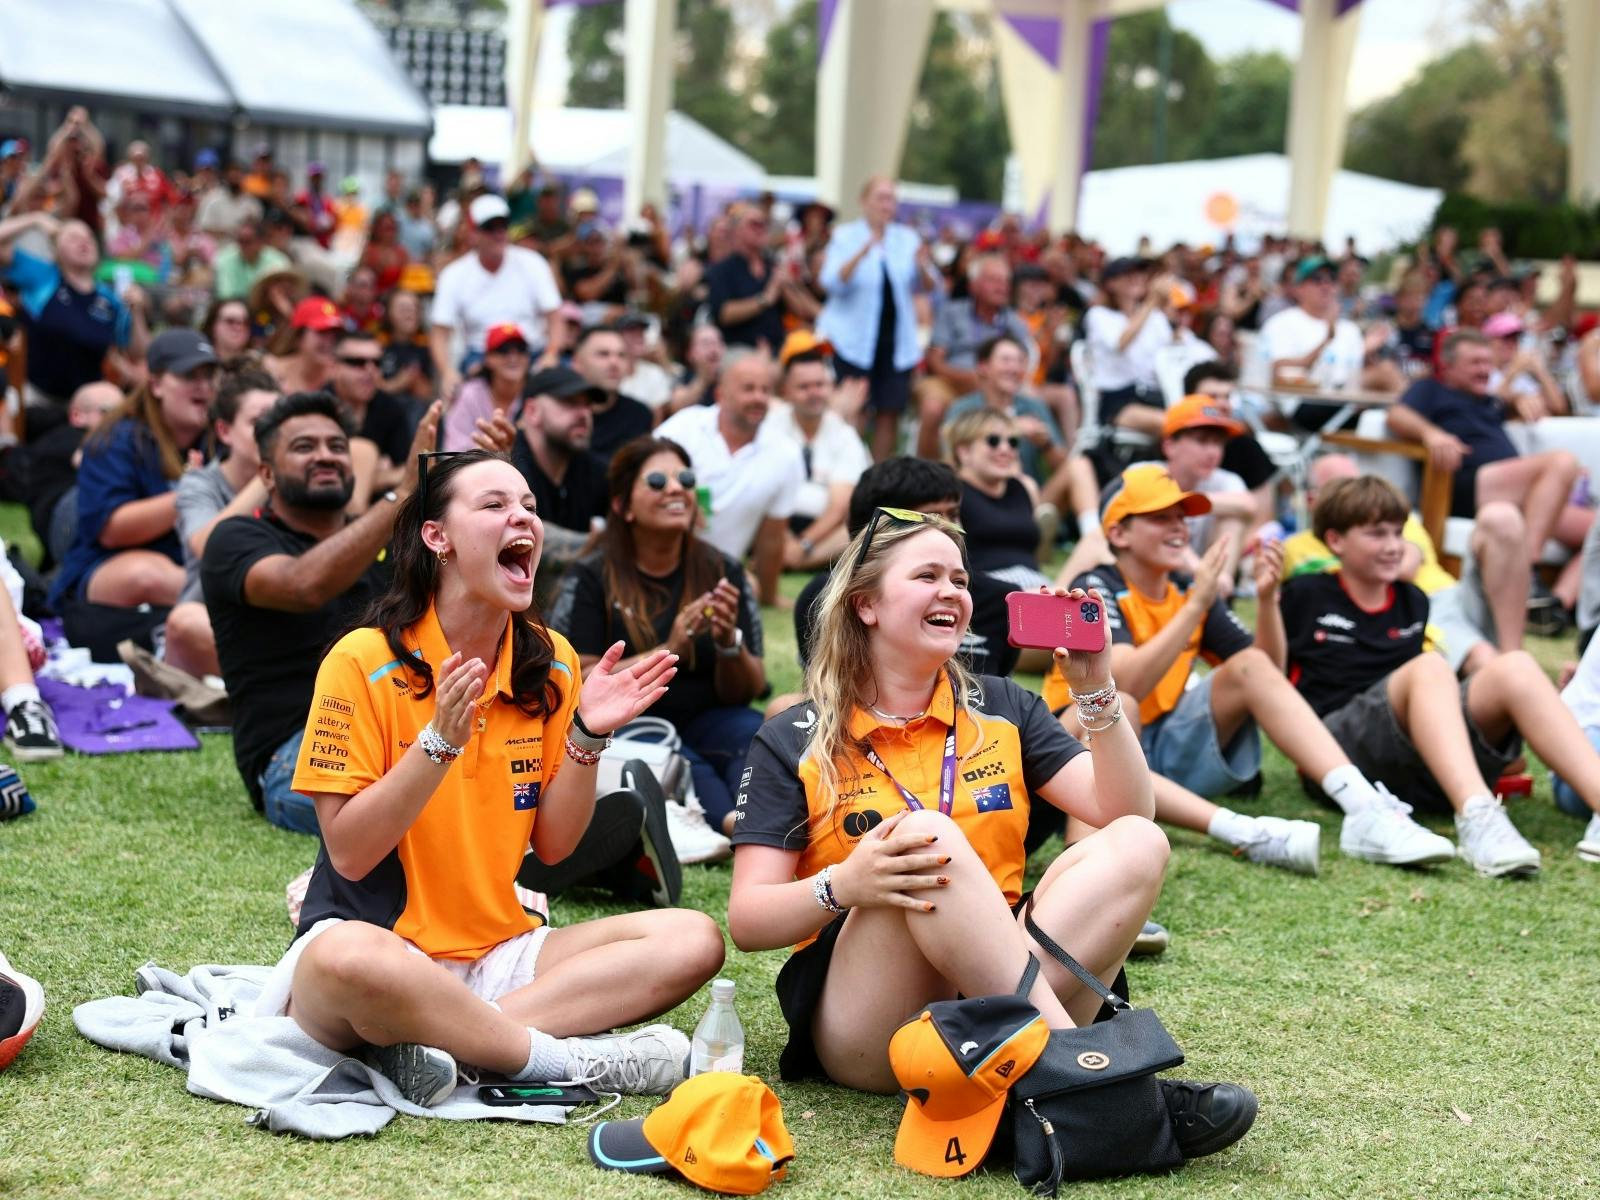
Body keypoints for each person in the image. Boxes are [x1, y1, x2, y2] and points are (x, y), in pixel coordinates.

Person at [725, 509, 1257, 1160]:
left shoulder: (1005, 706)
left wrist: (1096, 690)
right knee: (926, 835)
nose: (952, 590)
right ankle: (1099, 1084)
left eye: (959, 578)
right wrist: (849, 883)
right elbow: (747, 921)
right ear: (865, 605)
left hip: (999, 972)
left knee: (1138, 843)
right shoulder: (793, 737)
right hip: (871, 1019)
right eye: (927, 576)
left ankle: (1048, 1077)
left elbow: (1125, 809)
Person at [266, 448, 723, 1105]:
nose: (524, 521)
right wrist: (436, 746)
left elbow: (558, 846)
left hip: (501, 958)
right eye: (495, 506)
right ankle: (566, 1062)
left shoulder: (553, 661)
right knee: (346, 960)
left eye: (531, 508)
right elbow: (351, 853)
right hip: (379, 955)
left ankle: (452, 1044)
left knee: (692, 938)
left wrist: (589, 735)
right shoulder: (362, 659)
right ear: (437, 537)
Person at [1056, 463, 1457, 870]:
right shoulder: (1096, 584)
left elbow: (1267, 675)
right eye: (1160, 517)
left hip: (1164, 748)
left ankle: (1364, 806)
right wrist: (1197, 604)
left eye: (1181, 517)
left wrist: (1266, 602)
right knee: (1122, 703)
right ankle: (1243, 831)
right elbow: (1124, 684)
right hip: (1083, 753)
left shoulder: (1185, 589)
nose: (1179, 528)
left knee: (1247, 664)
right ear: (1118, 533)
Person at [1281, 475, 1600, 873]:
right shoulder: (1305, 593)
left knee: (1514, 665)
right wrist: (1262, 601)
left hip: (1412, 760)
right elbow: (1271, 677)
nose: (1394, 545)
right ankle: (1477, 817)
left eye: (1398, 533)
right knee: (1431, 666)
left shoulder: (1413, 600)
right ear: (1336, 541)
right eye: (1376, 534)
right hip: (1338, 752)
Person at [201, 392, 440, 832]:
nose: (326, 456)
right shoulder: (234, 540)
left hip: (408, 730)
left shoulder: (386, 536)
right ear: (267, 475)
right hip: (295, 754)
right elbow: (303, 586)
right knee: (434, 809)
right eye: (304, 447)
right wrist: (402, 497)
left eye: (336, 446)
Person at [550, 437, 766, 837]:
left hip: (710, 717)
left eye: (684, 477)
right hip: (630, 722)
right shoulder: (592, 577)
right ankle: (732, 822)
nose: (675, 488)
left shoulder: (723, 569)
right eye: (655, 480)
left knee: (754, 734)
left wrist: (727, 643)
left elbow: (749, 689)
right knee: (674, 757)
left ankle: (758, 818)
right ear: (622, 506)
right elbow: (578, 678)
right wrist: (670, 648)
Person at [1387, 330, 1590, 612]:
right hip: (1463, 486)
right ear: (1448, 366)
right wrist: (1431, 434)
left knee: (1597, 531)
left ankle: (1553, 606)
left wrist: (1521, 394)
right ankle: (1525, 571)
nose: (1485, 370)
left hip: (1514, 495)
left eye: (1487, 362)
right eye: (1475, 363)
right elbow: (1397, 414)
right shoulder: (1431, 389)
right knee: (1562, 461)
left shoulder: (1489, 400)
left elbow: (1554, 407)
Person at [1284, 453, 1521, 675]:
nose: (1357, 495)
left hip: (1445, 596)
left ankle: (1514, 652)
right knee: (1485, 659)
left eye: (1357, 483)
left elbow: (1405, 567)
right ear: (1311, 499)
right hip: (1405, 614)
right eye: (1340, 489)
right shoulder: (1294, 548)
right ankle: (1509, 677)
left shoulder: (1392, 521)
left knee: (1502, 517)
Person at [794, 458, 1019, 679]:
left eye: (954, 514)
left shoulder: (1000, 601)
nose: (952, 527)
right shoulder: (826, 597)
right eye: (932, 517)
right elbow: (824, 690)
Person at [49, 330, 218, 613]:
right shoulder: (116, 440)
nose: (203, 386)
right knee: (147, 575)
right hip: (105, 571)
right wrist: (193, 491)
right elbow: (112, 531)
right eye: (189, 376)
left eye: (209, 376)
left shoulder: (221, 439)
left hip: (191, 570)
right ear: (156, 385)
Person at [656, 351, 804, 607]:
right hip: (657, 557)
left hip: (719, 572)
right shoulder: (682, 428)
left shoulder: (786, 453)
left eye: (765, 390)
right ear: (720, 394)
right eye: (748, 389)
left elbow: (772, 537)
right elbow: (642, 485)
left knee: (749, 590)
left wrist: (769, 598)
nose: (758, 398)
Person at [163, 367, 280, 679]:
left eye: (279, 423)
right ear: (225, 431)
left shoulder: (296, 485)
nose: (273, 433)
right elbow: (208, 545)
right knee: (186, 622)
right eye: (259, 423)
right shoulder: (198, 485)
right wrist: (267, 476)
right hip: (208, 628)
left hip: (275, 628)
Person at [816, 176, 940, 461]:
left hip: (895, 341)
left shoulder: (906, 238)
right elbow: (831, 282)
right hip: (853, 339)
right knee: (853, 407)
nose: (887, 205)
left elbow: (929, 287)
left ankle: (880, 478)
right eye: (881, 198)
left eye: (891, 199)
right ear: (864, 201)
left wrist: (922, 266)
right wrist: (863, 251)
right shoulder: (845, 236)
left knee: (889, 410)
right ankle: (848, 469)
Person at [0, 210, 148, 417]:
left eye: (88, 238)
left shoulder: (109, 298)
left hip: (87, 406)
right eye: (73, 238)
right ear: (55, 251)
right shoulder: (44, 276)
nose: (84, 242)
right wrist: (34, 219)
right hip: (37, 399)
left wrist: (137, 311)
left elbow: (138, 352)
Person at [430, 194, 561, 401]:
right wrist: (447, 372)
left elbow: (555, 317)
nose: (499, 234)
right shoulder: (454, 275)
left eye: (503, 226)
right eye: (490, 228)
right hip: (481, 356)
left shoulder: (533, 263)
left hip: (529, 352)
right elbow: (439, 332)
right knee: (459, 394)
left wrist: (551, 353)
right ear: (473, 233)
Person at [764, 337, 871, 571]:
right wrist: (785, 538)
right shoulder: (769, 427)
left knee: (868, 527)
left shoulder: (845, 435)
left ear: (830, 387)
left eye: (820, 385)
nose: (814, 393)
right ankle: (788, 557)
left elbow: (839, 507)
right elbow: (761, 491)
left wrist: (802, 544)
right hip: (774, 522)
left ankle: (788, 561)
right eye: (804, 387)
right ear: (786, 392)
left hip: (824, 532)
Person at [1257, 257, 1399, 430]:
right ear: (1299, 287)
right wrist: (1327, 339)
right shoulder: (1282, 323)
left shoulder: (1349, 329)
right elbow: (1280, 370)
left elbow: (1354, 374)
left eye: (1332, 279)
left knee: (1387, 376)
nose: (1326, 285)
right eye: (1316, 279)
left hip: (1347, 406)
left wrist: (1367, 351)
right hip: (1303, 405)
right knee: (1386, 374)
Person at [913, 253, 1032, 459]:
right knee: (932, 408)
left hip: (995, 387)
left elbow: (1023, 363)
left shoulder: (1015, 322)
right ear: (974, 285)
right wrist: (966, 378)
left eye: (1005, 281)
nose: (1001, 287)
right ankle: (928, 473)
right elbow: (935, 361)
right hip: (948, 382)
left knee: (1032, 401)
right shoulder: (951, 312)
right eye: (993, 280)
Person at [507, 366, 609, 570]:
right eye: (570, 402)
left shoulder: (593, 468)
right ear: (532, 411)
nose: (584, 414)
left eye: (588, 405)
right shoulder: (509, 466)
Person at [948, 409, 1051, 592]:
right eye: (993, 441)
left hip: (1037, 583)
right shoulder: (952, 492)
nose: (1005, 449)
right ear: (964, 451)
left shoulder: (1026, 487)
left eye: (1012, 442)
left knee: (1094, 544)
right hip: (987, 589)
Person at [706, 203, 818, 353]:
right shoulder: (723, 269)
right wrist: (765, 299)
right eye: (754, 224)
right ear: (737, 231)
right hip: (737, 350)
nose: (761, 228)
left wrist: (791, 286)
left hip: (776, 349)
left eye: (764, 224)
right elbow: (723, 313)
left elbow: (801, 310)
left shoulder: (772, 266)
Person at [1081, 256, 1174, 438]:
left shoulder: (1156, 318)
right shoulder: (1099, 315)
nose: (1137, 278)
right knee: (1173, 424)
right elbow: (1120, 343)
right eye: (1128, 274)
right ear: (1111, 283)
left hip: (1155, 395)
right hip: (1118, 400)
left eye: (1140, 273)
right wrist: (1152, 301)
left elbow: (1171, 354)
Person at [328, 328, 414, 492]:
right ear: (334, 367)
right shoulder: (316, 407)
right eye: (357, 362)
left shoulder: (390, 408)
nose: (370, 369)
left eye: (377, 362)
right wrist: (379, 475)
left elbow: (407, 471)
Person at [441, 324, 532, 453]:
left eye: (521, 349)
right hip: (477, 471)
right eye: (504, 350)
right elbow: (452, 451)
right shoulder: (470, 394)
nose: (514, 357)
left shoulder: (538, 394)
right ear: (488, 358)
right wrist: (491, 452)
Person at [570, 324, 653, 462]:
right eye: (603, 354)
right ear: (577, 362)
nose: (614, 362)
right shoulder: (559, 412)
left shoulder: (639, 415)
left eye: (621, 355)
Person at [267, 296, 343, 395]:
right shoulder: (274, 372)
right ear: (299, 336)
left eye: (335, 333)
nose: (330, 341)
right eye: (322, 332)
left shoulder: (341, 377)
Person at [212, 218, 292, 302]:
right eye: (240, 241)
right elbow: (225, 295)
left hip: (265, 307)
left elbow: (280, 294)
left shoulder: (278, 260)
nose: (242, 246)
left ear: (261, 242)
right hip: (235, 306)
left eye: (247, 241)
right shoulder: (225, 258)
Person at [202, 297, 253, 363]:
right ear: (213, 326)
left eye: (245, 322)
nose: (239, 327)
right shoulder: (198, 364)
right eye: (230, 321)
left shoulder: (262, 365)